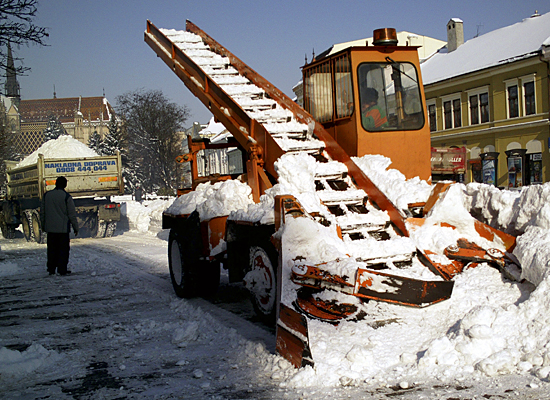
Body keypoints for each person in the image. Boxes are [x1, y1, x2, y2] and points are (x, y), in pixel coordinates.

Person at [40, 176, 79, 275]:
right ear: (65, 184)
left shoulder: (47, 196)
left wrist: (43, 225)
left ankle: (51, 269)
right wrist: (75, 227)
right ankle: (62, 269)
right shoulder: (66, 197)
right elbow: (71, 214)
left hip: (51, 229)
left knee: (52, 249)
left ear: (55, 184)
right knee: (63, 250)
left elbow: (43, 213)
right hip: (63, 230)